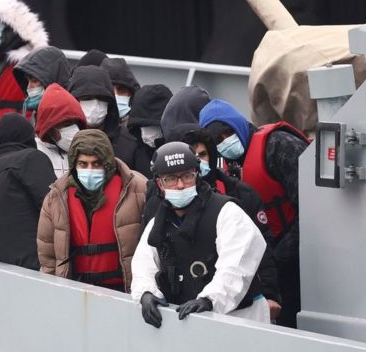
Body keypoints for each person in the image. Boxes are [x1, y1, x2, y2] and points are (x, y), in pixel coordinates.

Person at [131, 142, 268, 328]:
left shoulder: (227, 212)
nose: (180, 185)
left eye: (187, 176)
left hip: (240, 317)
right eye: (170, 179)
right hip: (189, 320)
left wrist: (210, 299)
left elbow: (237, 265)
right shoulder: (159, 222)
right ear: (159, 184)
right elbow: (143, 264)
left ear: (198, 176)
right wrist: (146, 293)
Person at [199, 99, 309, 328]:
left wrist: (281, 254)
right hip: (273, 260)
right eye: (217, 140)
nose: (225, 142)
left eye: (227, 133)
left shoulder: (279, 146)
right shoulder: (229, 169)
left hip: (304, 254)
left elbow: (314, 206)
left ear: (238, 125)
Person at [162, 123, 282, 321]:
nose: (199, 161)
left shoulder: (241, 195)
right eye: (194, 156)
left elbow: (262, 247)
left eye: (203, 154)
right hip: (186, 305)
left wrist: (271, 294)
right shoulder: (162, 205)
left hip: (241, 304)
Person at [37, 129, 147, 292]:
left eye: (96, 163)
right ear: (74, 164)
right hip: (75, 290)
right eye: (83, 164)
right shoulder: (56, 197)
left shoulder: (138, 189)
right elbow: (47, 255)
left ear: (107, 163)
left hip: (124, 292)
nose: (90, 170)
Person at [0, 113, 56, 270]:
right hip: (49, 271)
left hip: (11, 281)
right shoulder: (31, 158)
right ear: (28, 136)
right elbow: (57, 211)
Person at [68, 65, 145, 173]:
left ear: (110, 102)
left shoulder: (129, 143)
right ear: (73, 100)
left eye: (100, 98)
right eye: (87, 99)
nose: (94, 104)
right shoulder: (64, 139)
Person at [34, 83, 87, 178]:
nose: (74, 129)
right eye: (67, 124)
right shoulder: (35, 153)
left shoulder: (86, 152)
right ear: (50, 128)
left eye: (76, 123)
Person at [13, 46, 72, 124]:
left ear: (52, 79)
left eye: (34, 81)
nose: (28, 87)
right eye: (27, 81)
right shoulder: (37, 112)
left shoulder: (68, 116)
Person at [127, 84, 173, 178]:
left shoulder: (178, 150)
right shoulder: (128, 151)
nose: (146, 132)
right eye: (142, 125)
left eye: (153, 125)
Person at [100, 58, 140, 126]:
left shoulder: (139, 129)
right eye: (109, 90)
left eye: (121, 89)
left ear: (132, 94)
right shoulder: (86, 127)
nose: (115, 95)